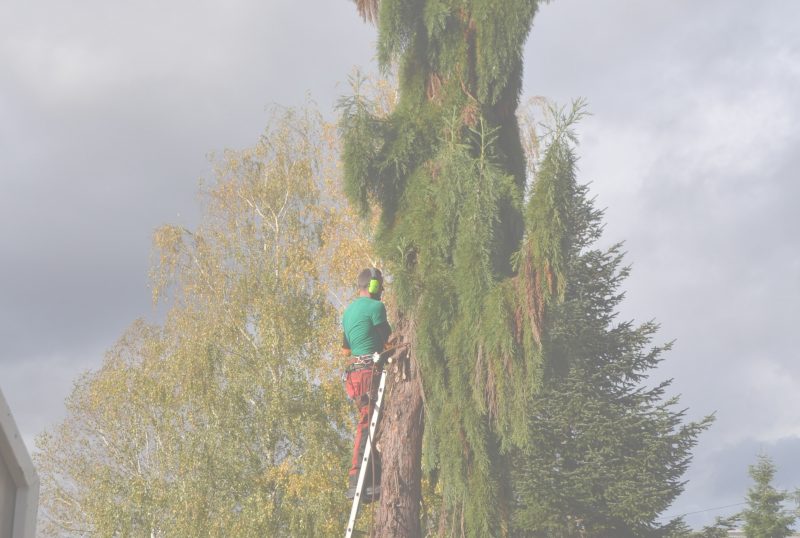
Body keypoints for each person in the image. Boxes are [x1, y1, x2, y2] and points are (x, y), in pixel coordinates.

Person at [341, 267, 391, 501]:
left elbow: (346, 348)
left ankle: (372, 478)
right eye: (379, 285)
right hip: (367, 373)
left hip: (354, 375)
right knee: (366, 423)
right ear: (372, 286)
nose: (381, 289)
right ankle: (356, 477)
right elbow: (386, 338)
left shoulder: (348, 312)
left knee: (372, 422)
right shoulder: (376, 307)